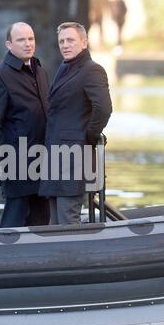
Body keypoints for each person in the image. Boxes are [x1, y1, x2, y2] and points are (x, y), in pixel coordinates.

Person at [39, 22, 112, 225]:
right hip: (56, 156)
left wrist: (88, 136)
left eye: (70, 40)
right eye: (61, 41)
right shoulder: (65, 68)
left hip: (74, 157)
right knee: (54, 221)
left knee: (67, 220)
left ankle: (75, 256)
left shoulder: (92, 70)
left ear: (84, 42)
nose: (65, 45)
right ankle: (56, 256)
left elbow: (104, 108)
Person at [0, 22, 49, 228]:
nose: (28, 44)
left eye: (31, 39)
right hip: (16, 161)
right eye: (21, 40)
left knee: (41, 218)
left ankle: (41, 257)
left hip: (43, 159)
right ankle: (2, 257)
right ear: (9, 45)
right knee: (15, 218)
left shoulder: (40, 71)